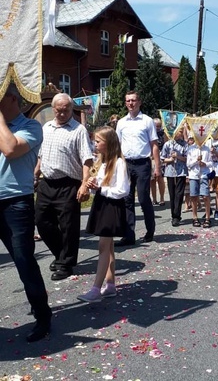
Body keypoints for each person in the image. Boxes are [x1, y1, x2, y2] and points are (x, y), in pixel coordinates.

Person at [0, 83, 52, 342]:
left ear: (10, 98)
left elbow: (10, 149)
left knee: (23, 262)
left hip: (15, 203)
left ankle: (43, 316)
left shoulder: (31, 127)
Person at [35, 93, 93, 280]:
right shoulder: (47, 127)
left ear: (71, 109)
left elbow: (87, 160)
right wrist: (35, 173)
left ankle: (66, 264)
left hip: (69, 183)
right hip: (47, 182)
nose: (61, 114)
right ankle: (61, 254)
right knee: (42, 221)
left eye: (65, 110)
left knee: (68, 226)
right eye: (58, 110)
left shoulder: (78, 130)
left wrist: (84, 184)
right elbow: (41, 155)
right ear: (53, 109)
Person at [78, 126, 130, 302]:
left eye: (98, 141)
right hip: (102, 204)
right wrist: (94, 186)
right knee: (109, 247)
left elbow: (122, 190)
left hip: (112, 206)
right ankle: (110, 284)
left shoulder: (119, 162)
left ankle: (95, 289)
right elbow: (101, 186)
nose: (95, 144)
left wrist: (101, 189)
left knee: (103, 246)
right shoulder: (102, 162)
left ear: (108, 144)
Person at [115, 91, 161, 245]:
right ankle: (129, 235)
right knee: (126, 199)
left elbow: (154, 145)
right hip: (127, 164)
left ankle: (150, 230)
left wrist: (157, 167)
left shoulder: (147, 121)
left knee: (142, 198)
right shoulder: (121, 122)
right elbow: (118, 146)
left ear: (139, 102)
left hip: (142, 164)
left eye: (133, 100)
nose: (130, 103)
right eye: (128, 100)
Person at [161, 131, 188, 227]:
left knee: (179, 194)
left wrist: (178, 157)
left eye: (181, 132)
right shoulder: (168, 144)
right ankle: (173, 214)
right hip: (170, 172)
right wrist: (170, 160)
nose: (180, 133)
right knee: (172, 194)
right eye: (179, 132)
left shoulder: (184, 144)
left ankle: (177, 215)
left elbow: (186, 158)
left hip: (181, 172)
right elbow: (162, 158)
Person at [187, 140, 213, 228]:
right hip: (194, 175)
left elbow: (211, 163)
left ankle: (207, 218)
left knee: (205, 196)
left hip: (204, 174)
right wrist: (196, 160)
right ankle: (195, 217)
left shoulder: (207, 149)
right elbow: (188, 164)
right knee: (194, 196)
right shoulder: (190, 148)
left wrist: (204, 163)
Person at [151, 117, 166, 206]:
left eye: (159, 126)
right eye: (156, 126)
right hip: (151, 158)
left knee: (160, 178)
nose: (158, 128)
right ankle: (154, 199)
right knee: (152, 180)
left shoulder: (163, 134)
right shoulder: (149, 134)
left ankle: (162, 198)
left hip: (160, 158)